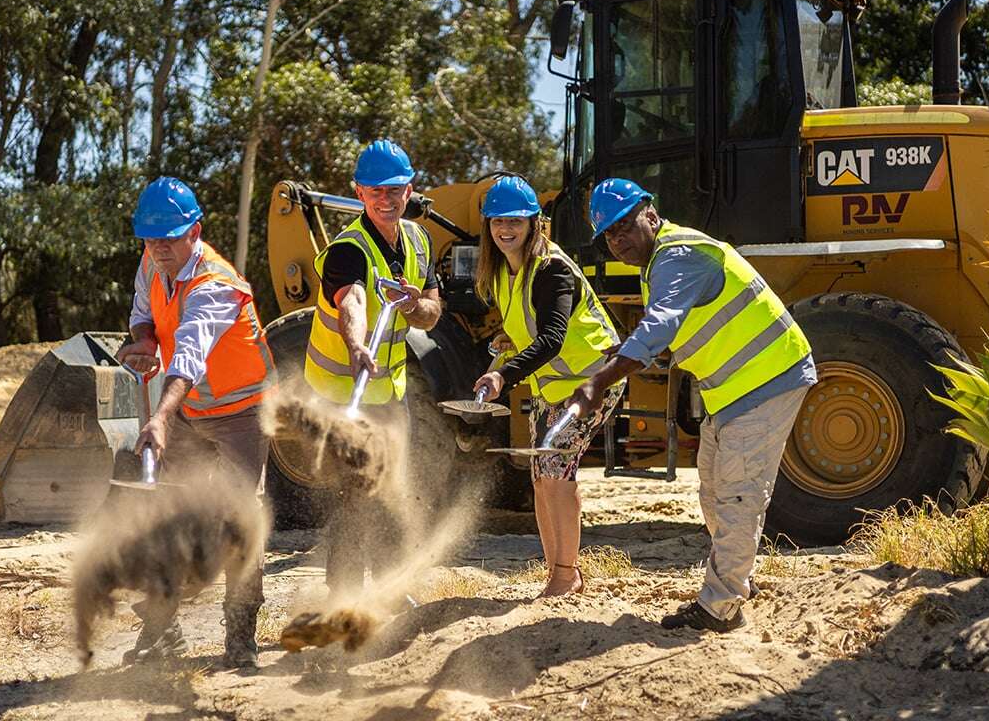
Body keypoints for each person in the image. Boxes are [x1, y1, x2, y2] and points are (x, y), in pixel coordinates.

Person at [567, 177, 817, 632]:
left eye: (625, 225)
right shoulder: (661, 263)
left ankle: (720, 607)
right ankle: (740, 578)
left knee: (738, 492)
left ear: (651, 213)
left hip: (767, 377)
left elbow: (661, 325)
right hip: (732, 389)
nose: (619, 239)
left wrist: (598, 382)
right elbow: (676, 330)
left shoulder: (678, 255)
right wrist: (631, 352)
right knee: (711, 488)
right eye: (610, 234)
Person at [115, 176, 277, 668]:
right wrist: (142, 341)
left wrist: (161, 417)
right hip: (192, 409)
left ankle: (241, 641)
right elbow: (144, 314)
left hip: (242, 414)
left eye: (170, 237)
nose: (159, 248)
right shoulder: (152, 261)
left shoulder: (216, 286)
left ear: (196, 231)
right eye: (150, 238)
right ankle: (162, 633)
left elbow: (188, 355)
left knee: (238, 523)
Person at [472, 175, 625, 599]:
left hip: (594, 379)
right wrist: (509, 340)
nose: (506, 229)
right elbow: (531, 328)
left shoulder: (553, 269)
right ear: (488, 225)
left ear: (534, 223)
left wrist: (503, 375)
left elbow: (553, 337)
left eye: (515, 221)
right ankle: (558, 572)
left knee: (558, 474)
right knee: (541, 477)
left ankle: (565, 574)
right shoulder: (504, 271)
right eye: (498, 221)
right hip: (553, 386)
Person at [303, 140, 442, 593]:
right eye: (375, 190)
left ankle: (387, 593)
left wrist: (414, 304)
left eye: (395, 189)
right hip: (338, 395)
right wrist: (357, 345)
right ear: (359, 193)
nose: (386, 199)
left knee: (389, 494)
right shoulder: (349, 249)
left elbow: (432, 312)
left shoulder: (419, 242)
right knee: (353, 499)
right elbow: (354, 300)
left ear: (409, 189)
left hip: (388, 394)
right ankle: (343, 599)